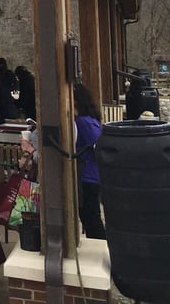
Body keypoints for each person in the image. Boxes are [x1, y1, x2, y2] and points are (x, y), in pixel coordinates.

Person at [74, 83, 106, 239]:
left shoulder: (83, 122)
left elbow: (97, 145)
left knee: (90, 216)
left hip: (88, 174)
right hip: (92, 173)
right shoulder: (89, 119)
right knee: (89, 215)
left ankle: (103, 245)